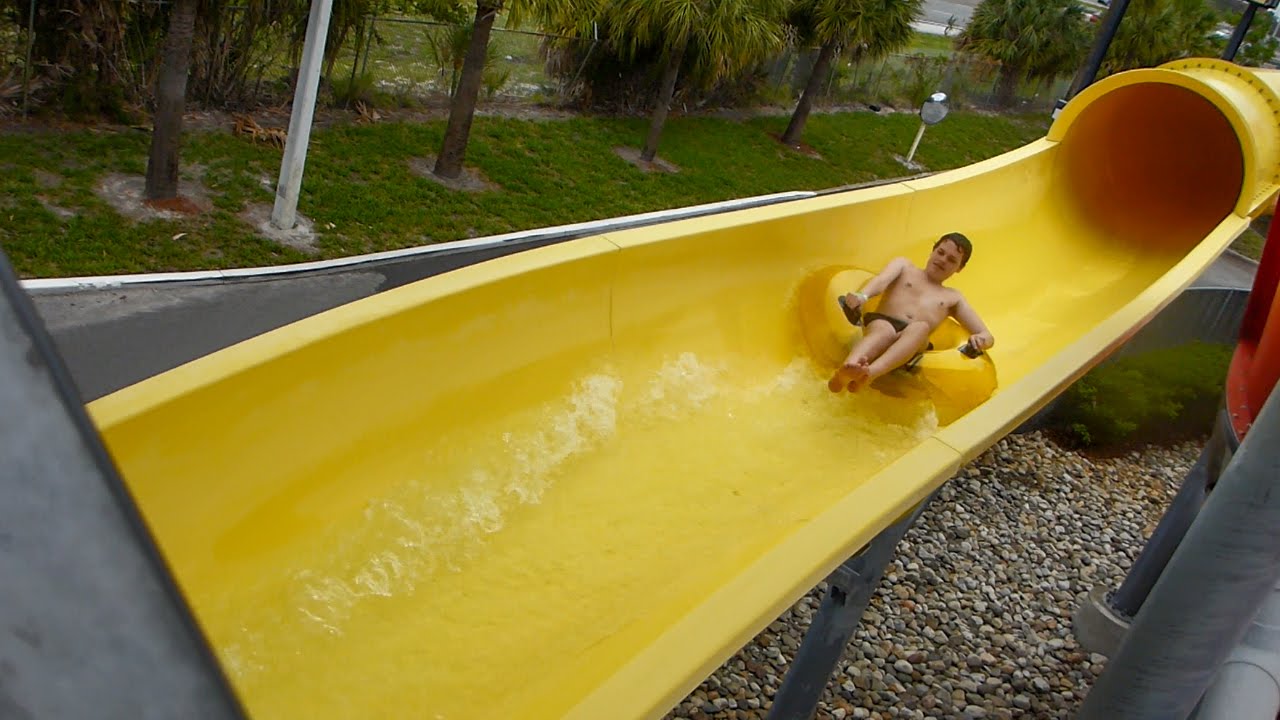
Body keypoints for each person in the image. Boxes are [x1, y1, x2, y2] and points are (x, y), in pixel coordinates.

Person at [828, 232, 994, 393]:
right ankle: (847, 369)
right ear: (933, 250)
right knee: (883, 331)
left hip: (913, 344)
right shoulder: (905, 266)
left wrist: (981, 340)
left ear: (960, 268)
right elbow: (881, 281)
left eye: (951, 260)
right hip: (884, 321)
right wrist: (862, 296)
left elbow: (986, 335)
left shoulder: (953, 297)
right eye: (940, 252)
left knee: (920, 327)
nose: (942, 260)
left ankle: (870, 373)